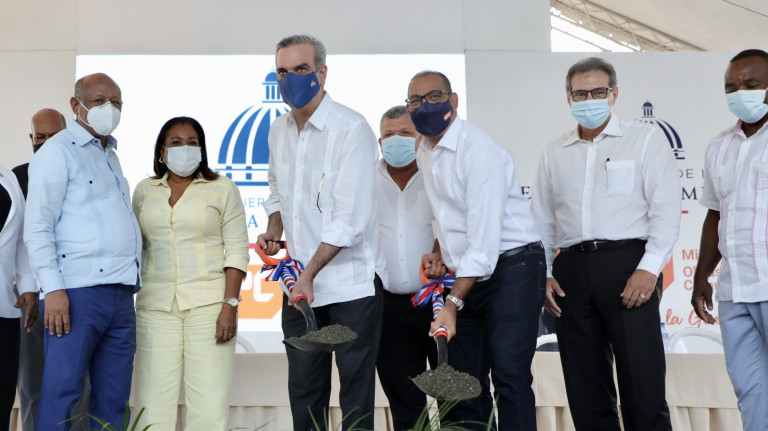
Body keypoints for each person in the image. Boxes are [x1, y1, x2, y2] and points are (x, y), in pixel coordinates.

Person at [532, 57, 679, 431]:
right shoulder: (554, 151)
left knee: (643, 387)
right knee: (585, 390)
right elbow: (542, 221)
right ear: (568, 98)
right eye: (580, 93)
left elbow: (665, 212)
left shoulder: (644, 140)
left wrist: (649, 269)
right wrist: (544, 273)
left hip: (629, 267)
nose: (589, 99)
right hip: (571, 272)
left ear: (614, 94)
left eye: (598, 91)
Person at [258, 34, 385, 431]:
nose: (290, 79)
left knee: (355, 398)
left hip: (349, 288)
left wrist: (309, 274)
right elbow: (277, 191)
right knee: (305, 393)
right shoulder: (278, 129)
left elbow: (349, 220)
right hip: (300, 289)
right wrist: (273, 230)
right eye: (282, 71)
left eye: (301, 69)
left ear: (322, 73)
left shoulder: (351, 129)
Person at [410, 70, 544, 430]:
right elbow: (448, 216)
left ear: (453, 101)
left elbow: (484, 242)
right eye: (415, 101)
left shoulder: (479, 151)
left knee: (510, 376)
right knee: (464, 382)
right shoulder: (424, 149)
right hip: (467, 275)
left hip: (512, 268)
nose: (424, 106)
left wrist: (452, 304)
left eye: (434, 97)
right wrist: (440, 250)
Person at [24, 73, 141, 430]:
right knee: (62, 393)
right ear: (76, 105)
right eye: (99, 100)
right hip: (75, 293)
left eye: (116, 102)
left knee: (113, 399)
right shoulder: (56, 151)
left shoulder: (110, 154)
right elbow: (38, 226)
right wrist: (52, 289)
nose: (110, 108)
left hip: (121, 292)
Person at [132, 116, 249, 431]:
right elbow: (135, 247)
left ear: (202, 150)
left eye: (192, 142)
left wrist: (230, 305)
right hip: (155, 307)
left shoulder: (222, 188)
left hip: (210, 306)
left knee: (208, 405)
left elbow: (237, 250)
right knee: (151, 404)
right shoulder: (144, 191)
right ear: (162, 152)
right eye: (176, 142)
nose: (185, 148)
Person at [692, 49, 768, 431]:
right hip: (734, 291)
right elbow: (714, 214)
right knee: (750, 391)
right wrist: (701, 276)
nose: (740, 93)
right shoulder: (719, 146)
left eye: (751, 84)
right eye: (731, 87)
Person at [373, 105, 443, 430]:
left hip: (440, 303)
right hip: (389, 310)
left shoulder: (438, 175)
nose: (396, 140)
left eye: (405, 133)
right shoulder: (364, 180)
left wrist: (440, 254)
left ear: (420, 138)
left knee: (457, 401)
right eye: (389, 134)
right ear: (379, 142)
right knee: (406, 409)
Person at [11, 108, 78, 431]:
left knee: (76, 385)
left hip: (74, 293)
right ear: (31, 138)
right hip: (31, 298)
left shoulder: (81, 171)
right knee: (32, 385)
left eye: (54, 136)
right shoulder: (17, 178)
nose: (47, 143)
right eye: (41, 137)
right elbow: (15, 242)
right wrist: (27, 286)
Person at [0, 165, 37, 429]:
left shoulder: (8, 178)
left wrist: (28, 287)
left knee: (3, 395)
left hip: (5, 308)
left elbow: (21, 239)